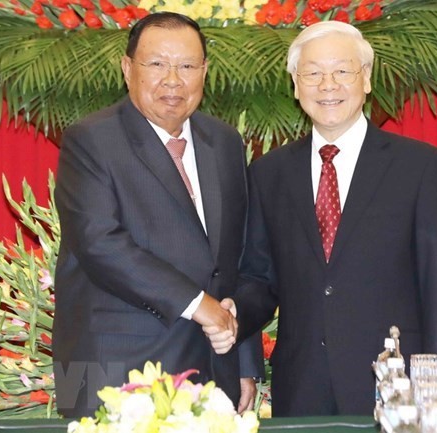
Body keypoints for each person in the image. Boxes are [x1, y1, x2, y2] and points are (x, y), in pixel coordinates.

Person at [213, 21, 437, 416]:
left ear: (365, 79)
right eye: (312, 73)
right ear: (296, 86)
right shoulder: (269, 173)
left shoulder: (419, 167)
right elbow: (260, 279)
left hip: (396, 387)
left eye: (342, 71)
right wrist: (233, 314)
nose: (327, 84)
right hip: (302, 386)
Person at [52, 12, 262, 417]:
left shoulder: (224, 142)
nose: (172, 80)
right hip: (115, 367)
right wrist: (199, 303)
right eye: (157, 64)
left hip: (214, 367)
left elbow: (236, 262)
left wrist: (244, 360)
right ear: (128, 69)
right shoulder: (91, 139)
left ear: (204, 72)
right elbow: (100, 243)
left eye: (186, 66)